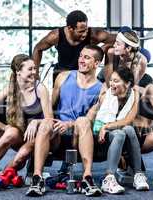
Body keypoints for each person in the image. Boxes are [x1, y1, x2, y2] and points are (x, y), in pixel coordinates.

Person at [25, 44, 104, 197]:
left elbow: (90, 119)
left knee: (83, 121)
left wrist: (70, 124)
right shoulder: (64, 77)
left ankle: (87, 178)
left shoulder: (102, 89)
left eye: (86, 58)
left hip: (81, 133)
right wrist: (38, 121)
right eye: (81, 56)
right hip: (58, 133)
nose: (81, 60)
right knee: (47, 122)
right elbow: (49, 108)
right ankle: (37, 178)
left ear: (97, 63)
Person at [0, 54, 53, 183]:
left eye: (35, 68)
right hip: (23, 136)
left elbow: (50, 120)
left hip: (42, 136)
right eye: (30, 69)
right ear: (18, 72)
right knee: (11, 132)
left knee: (20, 157)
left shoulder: (40, 89)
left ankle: (1, 176)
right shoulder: (10, 89)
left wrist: (36, 122)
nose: (34, 72)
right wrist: (4, 127)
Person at [88, 66, 149, 194]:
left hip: (112, 127)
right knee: (121, 133)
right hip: (100, 130)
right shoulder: (106, 95)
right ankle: (108, 178)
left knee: (129, 129)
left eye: (116, 81)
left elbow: (128, 120)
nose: (111, 84)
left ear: (127, 84)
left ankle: (138, 175)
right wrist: (104, 127)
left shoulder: (134, 94)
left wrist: (108, 126)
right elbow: (99, 121)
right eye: (111, 80)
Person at [33, 10, 115, 82]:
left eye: (86, 30)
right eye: (81, 31)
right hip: (61, 74)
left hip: (82, 75)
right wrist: (35, 74)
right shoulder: (56, 36)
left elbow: (118, 39)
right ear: (70, 28)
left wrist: (100, 50)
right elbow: (37, 49)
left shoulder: (93, 34)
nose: (85, 34)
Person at [103, 26, 153, 92]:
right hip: (114, 74)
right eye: (115, 42)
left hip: (134, 60)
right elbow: (108, 84)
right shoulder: (111, 53)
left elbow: (130, 86)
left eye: (117, 44)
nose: (114, 45)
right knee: (104, 88)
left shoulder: (142, 61)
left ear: (128, 48)